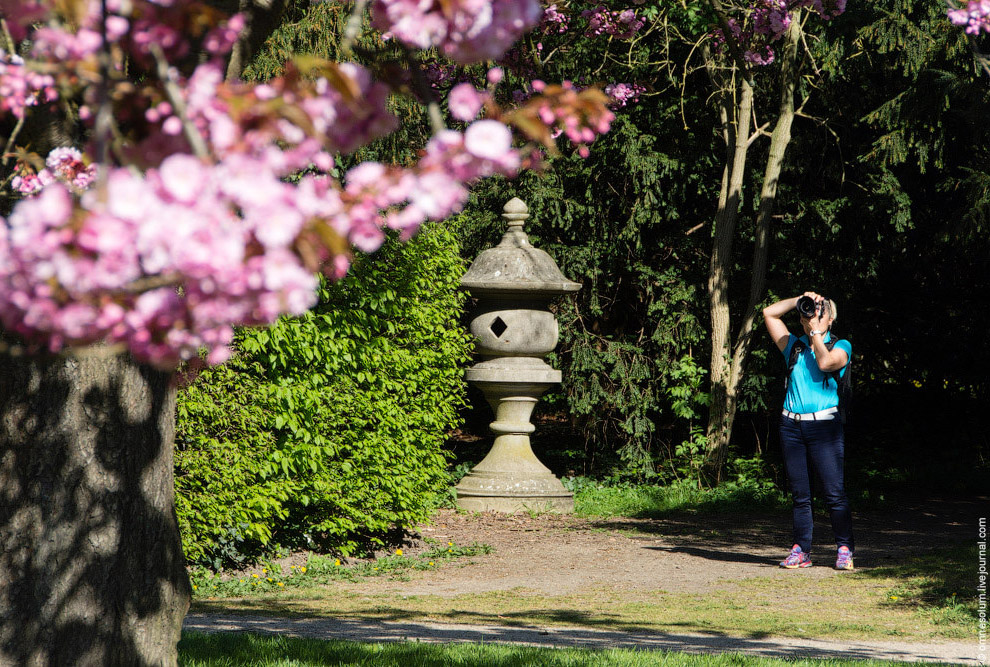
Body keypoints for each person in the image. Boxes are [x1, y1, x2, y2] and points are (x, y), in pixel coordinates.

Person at [762, 292, 854, 570]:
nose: (812, 315)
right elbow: (769, 313)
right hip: (791, 426)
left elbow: (825, 363)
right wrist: (800, 299)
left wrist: (815, 332)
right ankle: (801, 550)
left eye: (819, 311)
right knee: (800, 495)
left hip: (824, 426)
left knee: (834, 493)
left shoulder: (841, 345)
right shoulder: (795, 346)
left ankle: (845, 549)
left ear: (831, 318)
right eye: (810, 311)